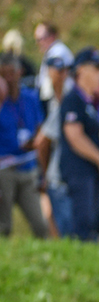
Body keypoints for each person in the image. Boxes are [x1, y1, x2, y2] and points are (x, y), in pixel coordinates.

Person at [58, 47, 99, 241]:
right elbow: (75, 136)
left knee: (92, 222)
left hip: (96, 173)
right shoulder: (73, 99)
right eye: (97, 67)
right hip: (79, 172)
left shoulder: (96, 103)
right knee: (81, 223)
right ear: (81, 70)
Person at [0, 51, 48, 237]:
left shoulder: (30, 98)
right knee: (4, 226)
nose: (9, 79)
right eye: (4, 75)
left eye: (12, 73)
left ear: (20, 72)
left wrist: (43, 171)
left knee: (40, 225)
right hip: (4, 169)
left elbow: (40, 132)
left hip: (27, 167)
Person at [36, 46, 74, 237]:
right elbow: (41, 141)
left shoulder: (69, 99)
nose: (60, 74)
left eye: (64, 70)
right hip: (51, 171)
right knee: (55, 224)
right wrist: (43, 172)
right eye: (56, 69)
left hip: (60, 171)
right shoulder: (40, 96)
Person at [33, 23, 70, 99]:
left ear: (51, 37)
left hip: (57, 98)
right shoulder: (54, 50)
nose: (38, 43)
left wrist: (59, 101)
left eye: (40, 39)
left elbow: (56, 76)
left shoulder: (57, 52)